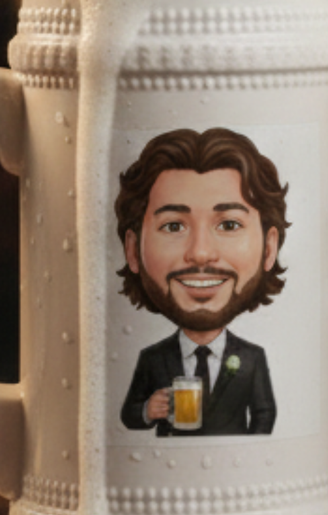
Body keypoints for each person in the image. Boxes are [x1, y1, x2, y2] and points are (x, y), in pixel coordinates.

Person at [116, 127, 286, 436]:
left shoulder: (252, 357)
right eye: (172, 226)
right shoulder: (152, 358)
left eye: (230, 224)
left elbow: (265, 414)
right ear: (132, 249)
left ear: (269, 247)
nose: (200, 253)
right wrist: (146, 409)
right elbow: (128, 415)